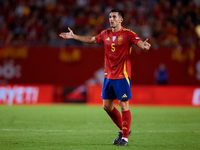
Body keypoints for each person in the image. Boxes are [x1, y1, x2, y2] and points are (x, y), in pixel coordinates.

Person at [59, 8, 151, 146]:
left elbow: (139, 42)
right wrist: (74, 36)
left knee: (123, 104)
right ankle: (124, 129)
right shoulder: (105, 34)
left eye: (114, 17)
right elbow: (91, 39)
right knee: (106, 106)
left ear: (121, 19)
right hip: (108, 76)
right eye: (110, 17)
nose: (111, 19)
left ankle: (125, 138)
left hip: (122, 75)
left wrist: (143, 45)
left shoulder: (128, 34)